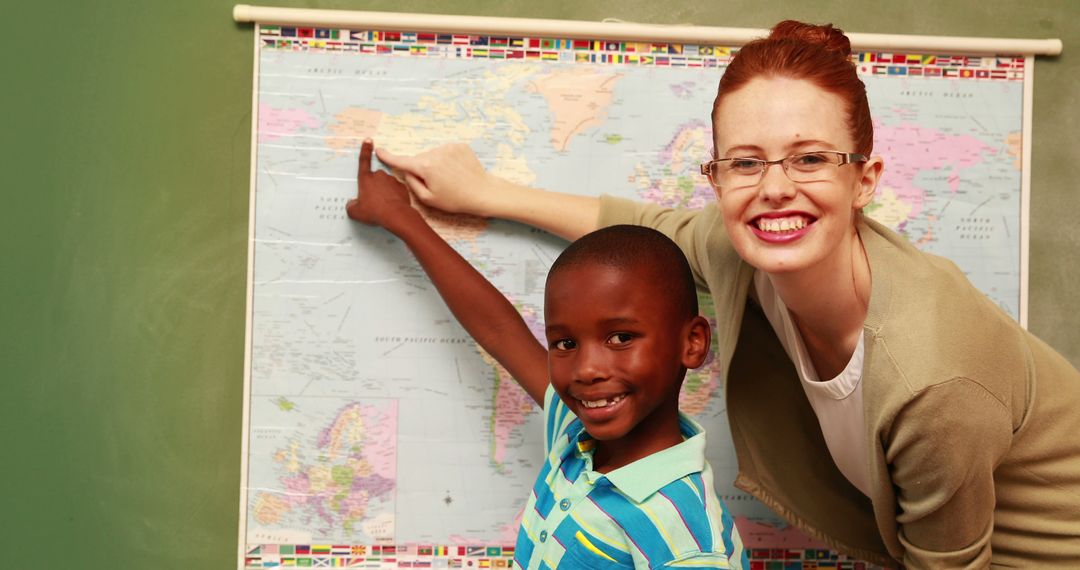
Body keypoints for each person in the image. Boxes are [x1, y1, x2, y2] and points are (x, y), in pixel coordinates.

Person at [373, 20, 1080, 569]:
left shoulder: (935, 379)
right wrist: (486, 194)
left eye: (810, 158)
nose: (774, 187)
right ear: (716, 179)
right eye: (746, 163)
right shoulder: (740, 253)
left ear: (866, 179)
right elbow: (644, 231)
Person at [347, 140, 748, 569]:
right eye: (565, 344)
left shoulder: (686, 537)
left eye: (620, 337)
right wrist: (401, 218)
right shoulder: (574, 436)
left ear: (693, 343)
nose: (587, 369)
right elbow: (499, 329)